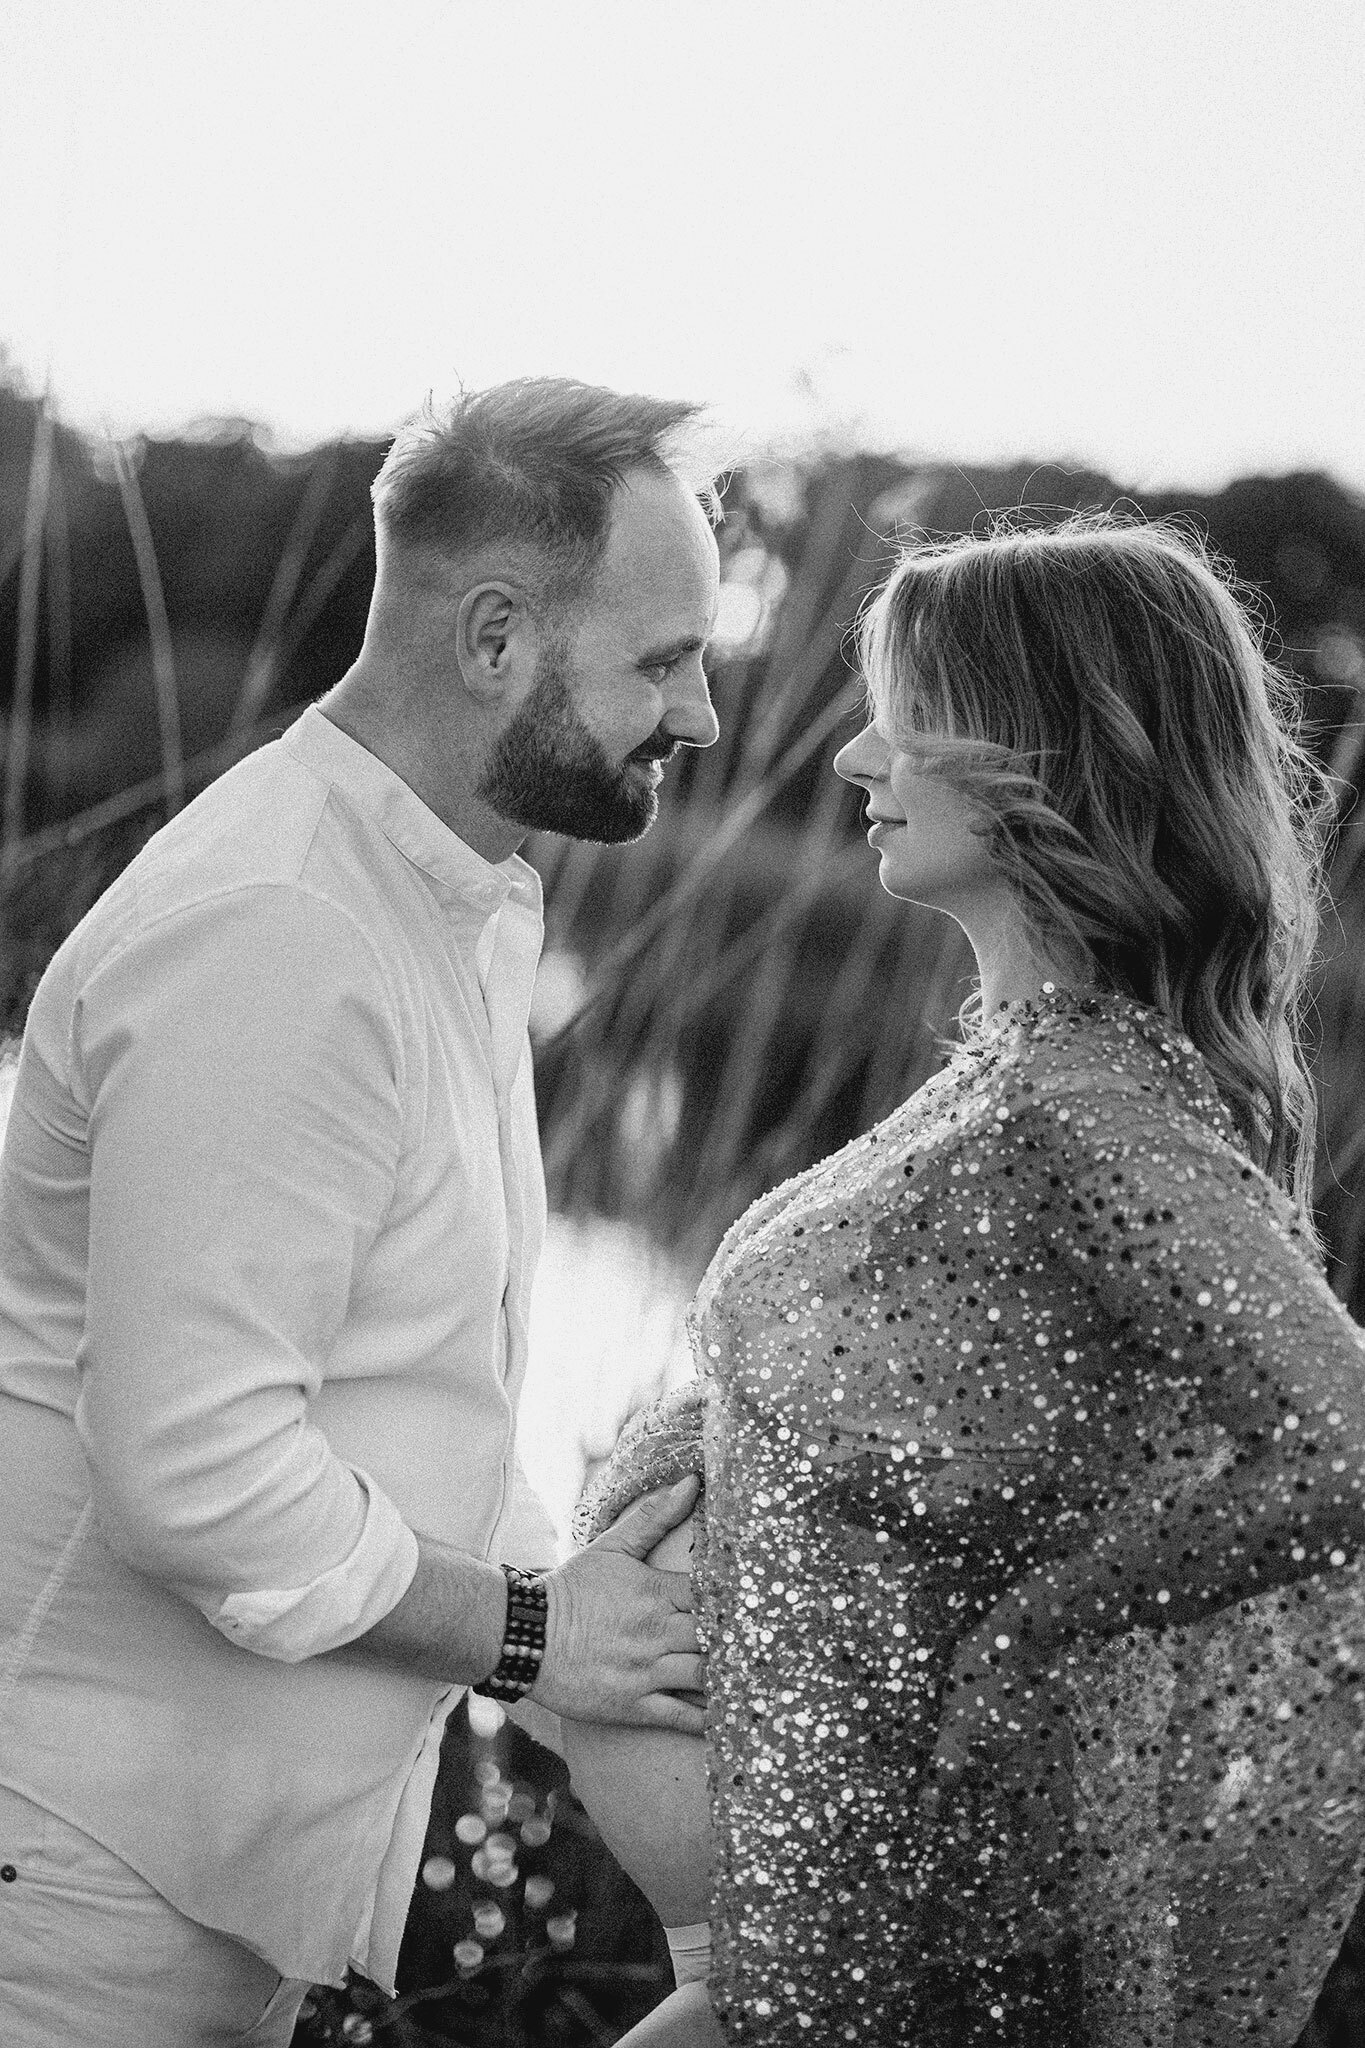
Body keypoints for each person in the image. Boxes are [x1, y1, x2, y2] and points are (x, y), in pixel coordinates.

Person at [566, 511, 1365, 2047]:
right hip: (789, 1911)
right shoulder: (1010, 1074)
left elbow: (1340, 1441)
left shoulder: (1086, 1102)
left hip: (889, 1928)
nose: (853, 760)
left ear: (1042, 753)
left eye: (905, 722)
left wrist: (1037, 1633)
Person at [0, 377, 723, 2046]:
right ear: (494, 641)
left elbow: (410, 1397)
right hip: (75, 1875)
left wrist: (598, 1613)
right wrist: (537, 1637)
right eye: (662, 660)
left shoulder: (440, 906)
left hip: (205, 1869)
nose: (696, 715)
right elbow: (194, 1476)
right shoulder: (281, 929)